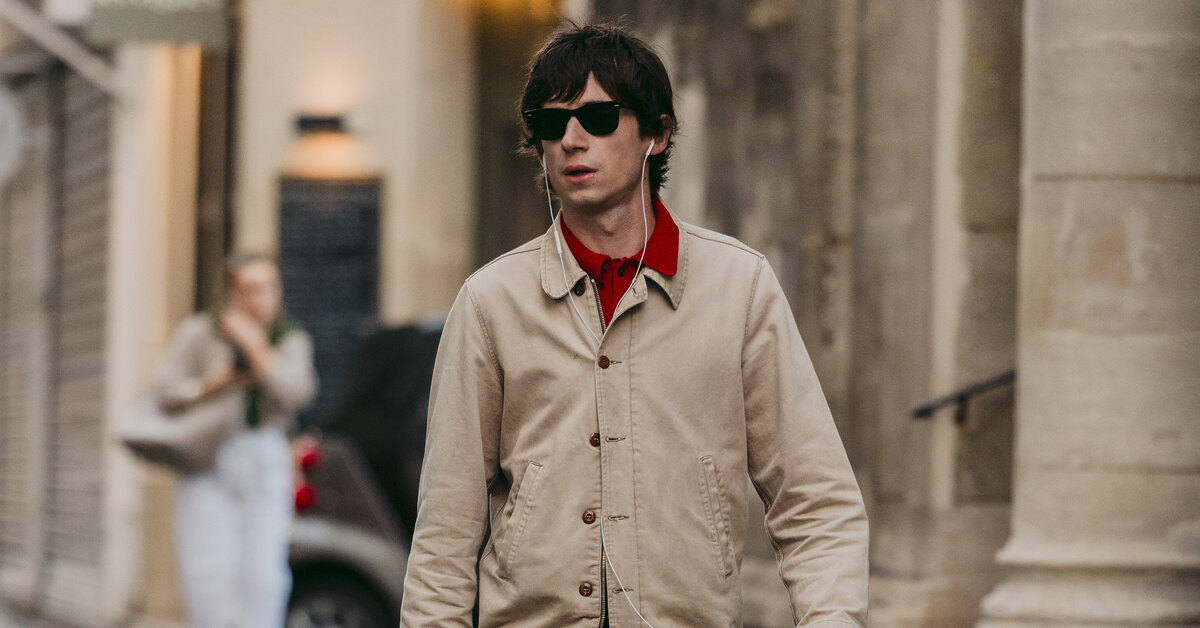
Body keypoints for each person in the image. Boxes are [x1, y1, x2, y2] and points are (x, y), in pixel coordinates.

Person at [400, 22, 868, 627]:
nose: (571, 140)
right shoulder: (490, 302)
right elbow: (444, 537)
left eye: (597, 118)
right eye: (550, 123)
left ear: (658, 133)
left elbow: (817, 504)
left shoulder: (739, 287)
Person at [156, 252, 317, 628]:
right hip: (208, 456)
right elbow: (165, 393)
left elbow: (298, 393)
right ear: (231, 293)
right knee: (207, 576)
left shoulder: (288, 338)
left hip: (266, 456)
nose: (260, 299)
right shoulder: (201, 332)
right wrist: (216, 383)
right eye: (249, 289)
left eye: (268, 288)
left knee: (265, 578)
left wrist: (257, 350)